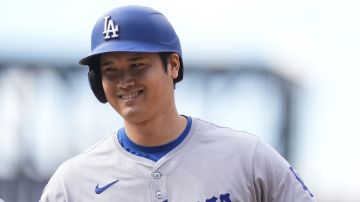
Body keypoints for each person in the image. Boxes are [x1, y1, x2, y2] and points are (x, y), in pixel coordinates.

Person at [40, 5, 316, 202]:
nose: (124, 81)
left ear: (172, 65)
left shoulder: (248, 157)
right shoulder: (71, 183)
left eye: (137, 65)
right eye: (110, 70)